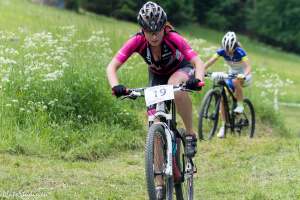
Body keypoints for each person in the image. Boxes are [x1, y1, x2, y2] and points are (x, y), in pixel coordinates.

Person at [106, 2, 205, 198]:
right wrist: (116, 86)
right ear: (142, 30)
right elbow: (111, 68)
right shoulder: (136, 41)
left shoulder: (173, 37)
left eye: (157, 30)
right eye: (148, 31)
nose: (153, 35)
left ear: (163, 27)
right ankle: (159, 184)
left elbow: (198, 62)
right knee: (154, 122)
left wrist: (198, 80)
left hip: (181, 70)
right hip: (157, 76)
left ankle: (190, 134)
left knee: (174, 86)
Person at [204, 31, 252, 138]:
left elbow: (248, 67)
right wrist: (201, 70)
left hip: (245, 75)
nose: (229, 54)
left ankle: (240, 106)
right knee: (222, 97)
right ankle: (224, 125)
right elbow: (210, 61)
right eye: (227, 51)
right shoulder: (222, 51)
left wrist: (244, 75)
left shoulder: (240, 52)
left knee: (236, 81)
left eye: (231, 51)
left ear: (235, 47)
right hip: (232, 74)